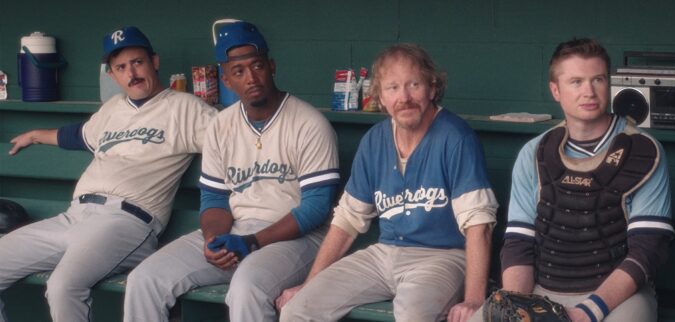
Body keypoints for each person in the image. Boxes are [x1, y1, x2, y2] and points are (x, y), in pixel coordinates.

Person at [124, 20, 341, 322]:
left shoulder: (309, 123)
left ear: (272, 66)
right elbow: (213, 200)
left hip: (298, 238)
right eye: (239, 71)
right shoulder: (220, 126)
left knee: (246, 288)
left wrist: (252, 242)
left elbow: (316, 208)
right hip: (237, 232)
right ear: (226, 80)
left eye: (257, 66)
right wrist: (215, 239)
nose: (251, 78)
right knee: (144, 279)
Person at [0, 26, 217, 322]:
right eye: (121, 67)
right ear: (112, 75)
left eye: (138, 62)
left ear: (154, 61)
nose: (132, 73)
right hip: (74, 217)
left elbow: (232, 142)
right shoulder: (113, 108)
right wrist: (38, 134)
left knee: (63, 286)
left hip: (126, 222)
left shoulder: (187, 108)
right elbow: (77, 135)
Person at [277, 43, 499, 322]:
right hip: (384, 255)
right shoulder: (374, 140)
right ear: (380, 97)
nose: (404, 97)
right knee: (297, 310)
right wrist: (309, 284)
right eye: (393, 88)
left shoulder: (455, 137)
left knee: (411, 314)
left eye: (414, 85)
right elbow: (346, 221)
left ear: (432, 88)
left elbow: (479, 225)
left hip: (441, 257)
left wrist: (474, 300)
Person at [483, 38, 674, 322]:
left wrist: (587, 313)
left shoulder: (643, 151)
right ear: (555, 90)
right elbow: (518, 244)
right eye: (576, 82)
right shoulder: (534, 153)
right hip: (542, 290)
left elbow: (648, 249)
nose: (589, 91)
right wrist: (517, 306)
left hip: (617, 298)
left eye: (597, 79)